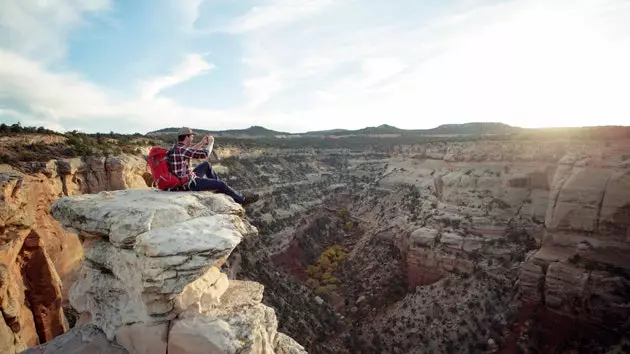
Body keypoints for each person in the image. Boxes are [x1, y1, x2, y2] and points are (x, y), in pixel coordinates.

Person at [167, 127, 259, 205]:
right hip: (187, 185)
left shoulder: (175, 148)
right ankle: (241, 200)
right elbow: (205, 154)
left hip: (180, 180)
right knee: (221, 184)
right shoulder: (182, 150)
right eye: (191, 136)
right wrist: (211, 143)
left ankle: (218, 187)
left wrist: (202, 143)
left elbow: (190, 151)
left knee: (206, 165)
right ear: (187, 137)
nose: (192, 139)